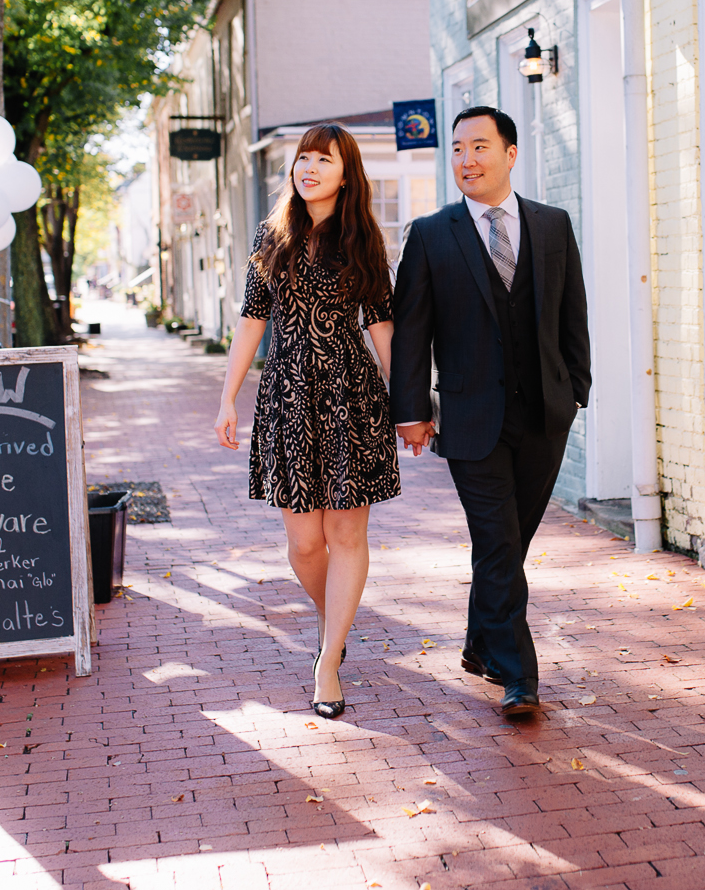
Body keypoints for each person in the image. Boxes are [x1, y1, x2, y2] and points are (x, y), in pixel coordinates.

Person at [391, 106, 591, 717]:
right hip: (470, 419)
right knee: (499, 542)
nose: (466, 159)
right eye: (456, 149)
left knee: (509, 544)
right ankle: (518, 676)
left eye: (479, 146)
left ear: (508, 153)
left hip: (544, 416)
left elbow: (571, 313)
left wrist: (577, 388)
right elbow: (410, 333)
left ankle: (480, 642)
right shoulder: (430, 233)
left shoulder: (553, 226)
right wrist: (410, 410)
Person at [214, 123, 398, 720]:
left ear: (347, 173)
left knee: (347, 536)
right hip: (287, 398)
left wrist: (409, 405)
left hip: (350, 397)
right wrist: (227, 397)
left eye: (324, 159)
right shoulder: (273, 238)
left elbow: (382, 327)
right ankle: (334, 624)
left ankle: (327, 661)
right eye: (303, 158)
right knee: (304, 542)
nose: (309, 167)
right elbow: (250, 323)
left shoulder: (363, 240)